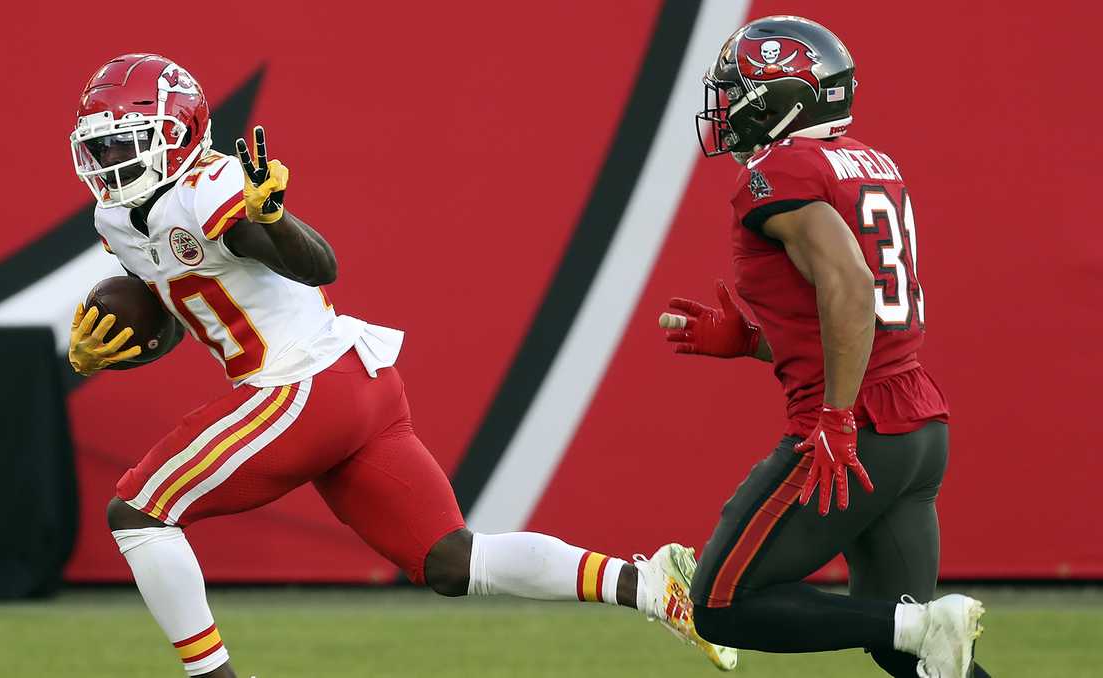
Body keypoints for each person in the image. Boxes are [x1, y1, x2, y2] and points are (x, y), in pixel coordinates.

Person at [66, 53, 737, 677]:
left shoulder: (212, 188)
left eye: (126, 140)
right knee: (451, 560)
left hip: (302, 385)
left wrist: (274, 221)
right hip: (354, 385)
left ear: (179, 132)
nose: (111, 159)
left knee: (139, 512)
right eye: (101, 145)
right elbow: (186, 307)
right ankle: (651, 584)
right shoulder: (118, 217)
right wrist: (109, 350)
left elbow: (319, 265)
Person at [663, 16, 990, 678]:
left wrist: (836, 415)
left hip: (859, 425)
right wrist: (759, 341)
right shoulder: (870, 162)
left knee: (719, 603)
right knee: (911, 661)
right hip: (915, 425)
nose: (727, 106)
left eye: (740, 91)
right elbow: (847, 311)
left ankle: (919, 624)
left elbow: (850, 286)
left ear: (784, 97)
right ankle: (920, 630)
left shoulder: (780, 170)